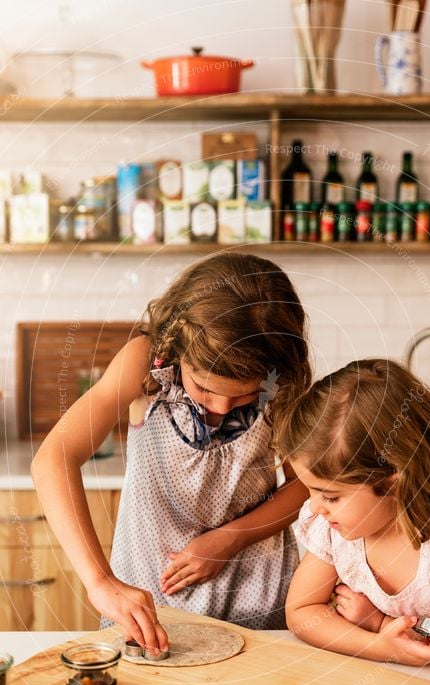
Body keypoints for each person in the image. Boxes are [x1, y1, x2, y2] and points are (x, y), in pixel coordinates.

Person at [32, 253, 311, 652]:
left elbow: (304, 488)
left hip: (257, 606)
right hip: (149, 605)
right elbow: (53, 459)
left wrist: (229, 539)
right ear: (178, 347)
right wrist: (102, 582)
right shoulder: (144, 366)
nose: (219, 407)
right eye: (205, 388)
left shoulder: (283, 384)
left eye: (245, 395)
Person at [274, 358, 430, 666]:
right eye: (311, 490)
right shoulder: (333, 530)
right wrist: (379, 645)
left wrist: (380, 624)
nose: (315, 507)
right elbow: (302, 613)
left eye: (330, 496)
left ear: (395, 483)